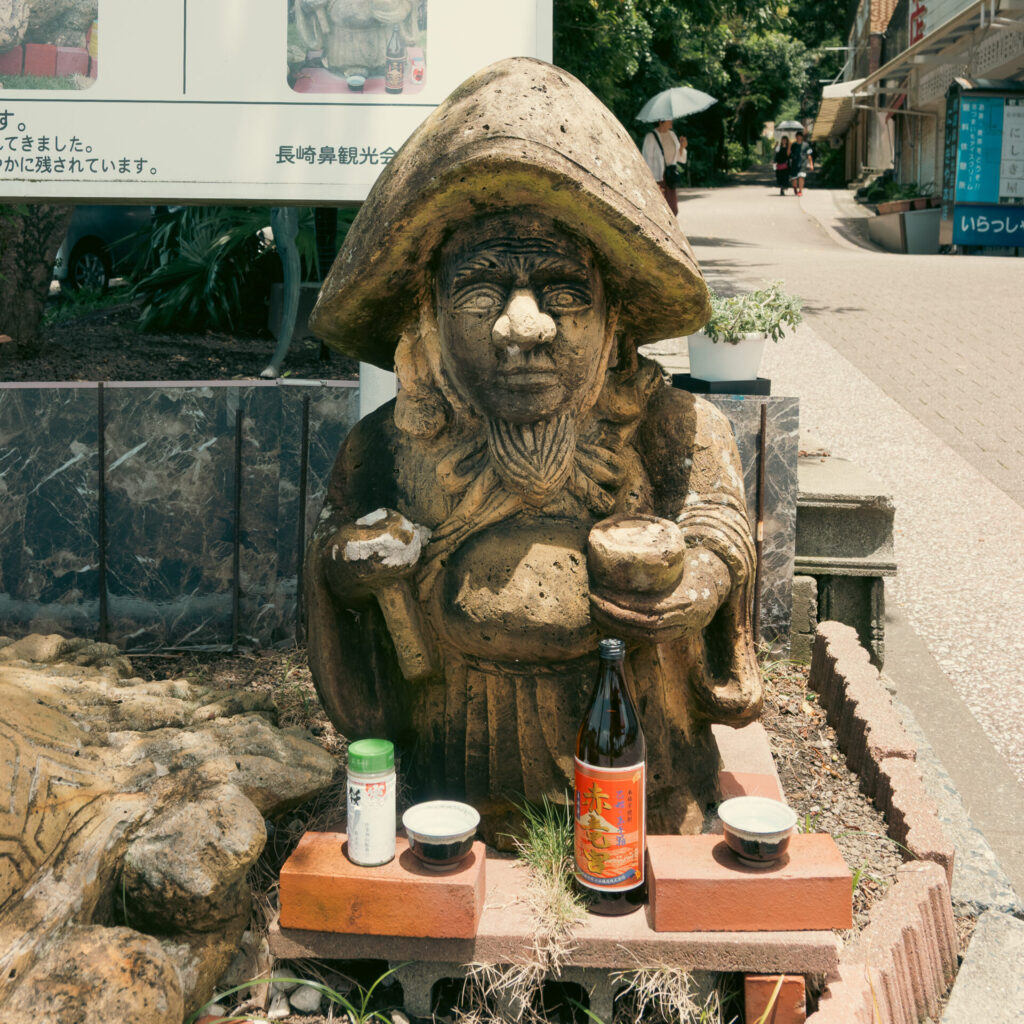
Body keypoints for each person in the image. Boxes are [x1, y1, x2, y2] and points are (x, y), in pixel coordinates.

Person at [304, 57, 762, 844]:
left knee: (646, 818)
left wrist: (699, 583)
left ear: (615, 318)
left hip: (640, 753)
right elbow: (332, 563)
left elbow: (720, 532)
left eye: (565, 292)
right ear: (429, 315)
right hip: (450, 767)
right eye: (481, 293)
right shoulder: (386, 445)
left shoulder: (672, 427)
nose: (526, 328)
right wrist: (350, 569)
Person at [641, 118, 682, 214]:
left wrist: (682, 147)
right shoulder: (650, 137)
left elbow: (678, 157)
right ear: (660, 121)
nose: (671, 120)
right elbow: (646, 160)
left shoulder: (672, 135)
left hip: (670, 176)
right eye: (668, 119)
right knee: (659, 210)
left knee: (673, 209)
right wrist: (651, 182)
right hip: (658, 178)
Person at [790, 129, 814, 196]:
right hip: (794, 163)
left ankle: (800, 191)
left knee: (801, 177)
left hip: (803, 163)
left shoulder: (806, 145)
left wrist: (811, 164)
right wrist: (789, 145)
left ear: (802, 137)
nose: (799, 137)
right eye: (797, 136)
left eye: (800, 136)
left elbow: (809, 155)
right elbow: (789, 154)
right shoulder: (793, 145)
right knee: (794, 179)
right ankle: (795, 188)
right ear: (796, 137)